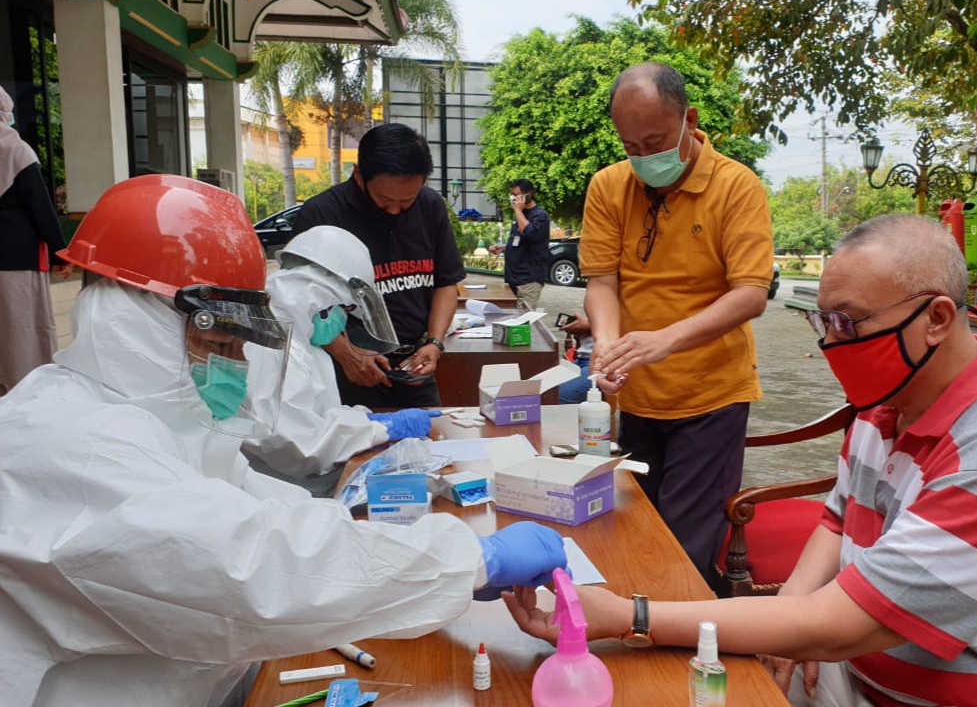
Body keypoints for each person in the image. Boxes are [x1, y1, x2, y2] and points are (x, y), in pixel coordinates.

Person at [0, 174, 567, 707]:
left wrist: (408, 552)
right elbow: (253, 569)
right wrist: (468, 560)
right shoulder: (69, 442)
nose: (236, 365)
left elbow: (262, 504)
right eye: (219, 344)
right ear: (138, 322)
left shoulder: (151, 416)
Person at [506, 215, 977, 707]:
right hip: (853, 663)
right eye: (822, 320)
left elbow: (845, 626)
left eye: (848, 322)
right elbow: (838, 518)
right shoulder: (890, 400)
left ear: (938, 319)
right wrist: (793, 620)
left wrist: (631, 617)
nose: (830, 344)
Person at [580, 62, 774, 584]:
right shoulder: (608, 186)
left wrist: (666, 340)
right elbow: (602, 282)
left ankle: (684, 627)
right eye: (631, 146)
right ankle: (637, 619)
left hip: (711, 395)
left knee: (684, 547)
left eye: (655, 142)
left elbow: (750, 293)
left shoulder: (736, 186)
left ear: (689, 119)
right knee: (635, 527)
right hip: (637, 393)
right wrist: (607, 348)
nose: (644, 157)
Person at [243, 224, 436, 497]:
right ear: (319, 296)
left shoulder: (300, 339)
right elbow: (299, 446)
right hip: (286, 496)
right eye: (344, 308)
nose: (342, 319)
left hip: (306, 487)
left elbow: (318, 415)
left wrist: (364, 418)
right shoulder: (269, 344)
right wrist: (382, 428)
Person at [294, 123, 463, 409]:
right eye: (384, 199)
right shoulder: (322, 214)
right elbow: (299, 300)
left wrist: (434, 343)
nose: (395, 210)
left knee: (433, 433)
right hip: (349, 372)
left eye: (407, 200)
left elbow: (446, 284)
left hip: (414, 368)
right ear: (359, 175)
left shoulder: (430, 206)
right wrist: (348, 355)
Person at [0, 85, 71, 396]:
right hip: (16, 257)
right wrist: (60, 253)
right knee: (22, 327)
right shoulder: (15, 150)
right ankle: (24, 391)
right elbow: (40, 208)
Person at [489, 178, 551, 308]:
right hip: (513, 279)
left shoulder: (540, 215)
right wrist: (504, 248)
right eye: (511, 195)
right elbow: (522, 241)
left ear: (528, 194)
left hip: (528, 280)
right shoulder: (520, 215)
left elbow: (529, 233)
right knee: (511, 316)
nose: (513, 198)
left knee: (523, 317)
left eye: (516, 195)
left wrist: (517, 210)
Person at [557, 311, 595, 404]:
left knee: (558, 396)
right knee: (544, 386)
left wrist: (590, 326)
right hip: (582, 357)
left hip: (601, 361)